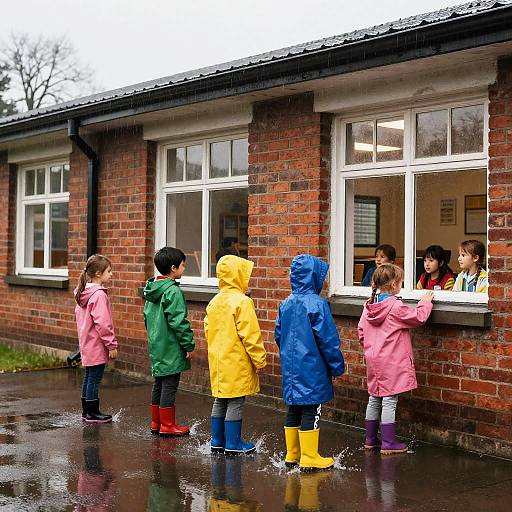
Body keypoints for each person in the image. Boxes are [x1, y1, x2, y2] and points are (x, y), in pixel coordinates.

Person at [275, 254, 345, 471]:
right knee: (311, 409)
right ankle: (309, 456)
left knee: (294, 407)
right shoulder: (318, 304)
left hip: (292, 366)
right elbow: (328, 340)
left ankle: (292, 453)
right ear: (313, 277)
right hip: (313, 367)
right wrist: (337, 365)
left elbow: (279, 335)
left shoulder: (285, 303)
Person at [357, 264, 433, 455]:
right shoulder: (396, 307)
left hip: (374, 361)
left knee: (374, 398)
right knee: (389, 400)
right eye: (401, 282)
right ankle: (389, 443)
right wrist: (425, 302)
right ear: (393, 285)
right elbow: (419, 317)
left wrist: (370, 349)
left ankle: (370, 439)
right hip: (391, 362)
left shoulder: (369, 307)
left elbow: (360, 332)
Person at [205, 255, 267, 455]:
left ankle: (217, 440)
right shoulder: (242, 302)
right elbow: (250, 335)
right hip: (236, 360)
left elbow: (207, 330)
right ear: (238, 275)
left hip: (218, 360)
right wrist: (259, 359)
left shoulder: (214, 302)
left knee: (221, 398)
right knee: (236, 400)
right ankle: (233, 443)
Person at [144, 247, 195, 437]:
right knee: (170, 384)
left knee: (159, 382)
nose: (184, 268)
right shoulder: (173, 292)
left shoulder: (152, 290)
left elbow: (146, 318)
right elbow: (179, 322)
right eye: (183, 265)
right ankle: (167, 425)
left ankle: (156, 422)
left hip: (157, 344)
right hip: (171, 346)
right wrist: (188, 344)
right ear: (173, 268)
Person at [75, 254, 119, 423]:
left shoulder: (84, 293)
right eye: (109, 271)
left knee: (89, 376)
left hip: (87, 343)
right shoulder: (99, 295)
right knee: (94, 378)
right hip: (96, 344)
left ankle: (87, 411)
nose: (111, 274)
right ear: (99, 274)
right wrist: (111, 345)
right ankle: (92, 413)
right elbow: (103, 323)